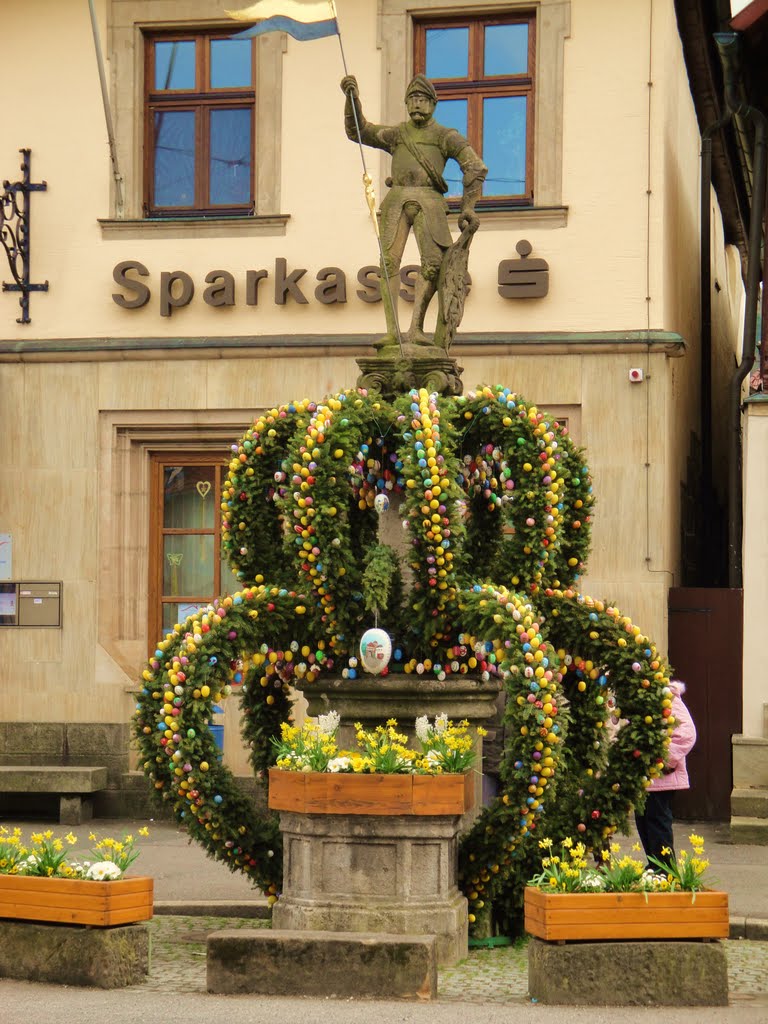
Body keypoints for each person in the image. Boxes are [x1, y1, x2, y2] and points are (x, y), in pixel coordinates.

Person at [340, 73, 487, 350]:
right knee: (387, 263)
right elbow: (358, 130)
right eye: (413, 100)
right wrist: (352, 99)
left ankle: (417, 328)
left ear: (432, 104)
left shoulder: (446, 136)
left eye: (422, 100)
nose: (417, 105)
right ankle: (393, 332)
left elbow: (475, 167)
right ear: (406, 104)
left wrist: (468, 206)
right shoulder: (397, 135)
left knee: (432, 264)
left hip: (429, 200)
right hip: (397, 199)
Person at [635, 679, 697, 867]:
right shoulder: (638, 699)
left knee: (657, 822)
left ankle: (664, 869)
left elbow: (687, 734)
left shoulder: (667, 698)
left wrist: (662, 761)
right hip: (644, 776)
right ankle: (655, 865)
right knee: (643, 821)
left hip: (663, 776)